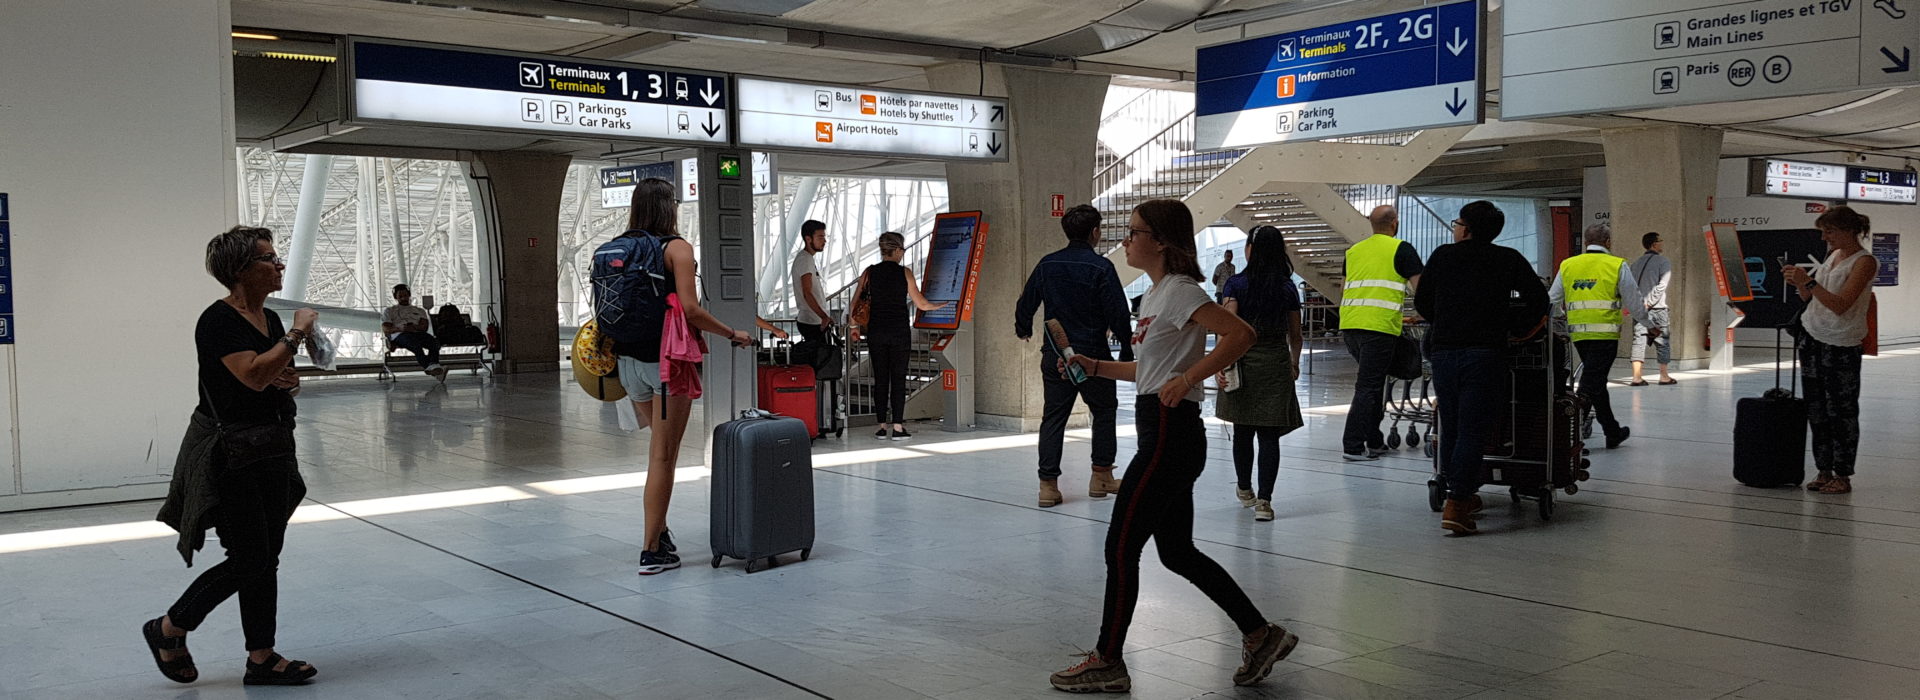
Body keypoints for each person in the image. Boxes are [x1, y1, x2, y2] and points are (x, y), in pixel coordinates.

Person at [1050, 199, 1297, 693]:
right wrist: (1094, 366)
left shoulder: (1182, 290)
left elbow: (1240, 334)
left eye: (1134, 231)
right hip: (1160, 428)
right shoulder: (1158, 294)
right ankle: (1260, 634)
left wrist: (1188, 379)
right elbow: (1149, 371)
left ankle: (1108, 659)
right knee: (1177, 552)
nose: (1125, 239)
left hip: (1169, 433)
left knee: (1121, 546)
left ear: (1160, 240)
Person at [147, 226, 319, 686]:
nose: (279, 264)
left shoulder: (270, 320)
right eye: (268, 258)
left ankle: (261, 657)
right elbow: (255, 376)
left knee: (267, 556)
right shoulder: (218, 321)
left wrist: (286, 365)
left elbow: (281, 377)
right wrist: (299, 333)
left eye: (277, 256)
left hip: (273, 447)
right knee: (249, 559)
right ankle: (169, 628)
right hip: (233, 455)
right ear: (240, 270)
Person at [613, 178, 754, 575]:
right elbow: (690, 310)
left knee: (658, 451)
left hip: (628, 364)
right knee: (664, 456)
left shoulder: (619, 246)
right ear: (669, 207)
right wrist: (732, 333)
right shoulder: (677, 248)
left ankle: (659, 530)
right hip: (666, 364)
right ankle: (651, 550)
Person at [1414, 202, 1550, 535]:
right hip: (1486, 353)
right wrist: (1515, 329)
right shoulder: (1508, 260)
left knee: (1452, 424)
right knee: (1474, 429)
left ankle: (1456, 492)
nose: (1456, 228)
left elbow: (1422, 303)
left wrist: (1446, 320)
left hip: (1444, 353)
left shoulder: (1443, 256)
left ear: (1468, 228)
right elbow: (1538, 301)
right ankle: (1458, 503)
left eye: (1458, 223)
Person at [1014, 203, 1133, 508]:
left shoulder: (1047, 264)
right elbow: (1118, 312)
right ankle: (1101, 476)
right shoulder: (1101, 268)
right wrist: (1127, 348)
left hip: (1054, 353)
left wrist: (1023, 327)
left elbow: (1026, 302)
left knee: (1054, 416)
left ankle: (1048, 486)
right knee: (1104, 411)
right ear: (1095, 232)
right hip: (1093, 354)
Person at [1782, 206, 1877, 495]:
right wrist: (1801, 286)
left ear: (1850, 230)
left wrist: (1807, 281)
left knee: (1842, 410)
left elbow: (1841, 305)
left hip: (1841, 342)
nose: (1825, 238)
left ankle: (1843, 473)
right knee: (1816, 408)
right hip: (1812, 335)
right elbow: (1815, 298)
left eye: (1830, 231)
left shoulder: (1865, 262)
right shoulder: (1833, 256)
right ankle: (1823, 469)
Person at [1215, 226, 1304, 523]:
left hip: (1242, 361)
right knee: (1269, 436)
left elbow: (1227, 329)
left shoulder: (1236, 285)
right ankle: (1265, 502)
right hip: (1275, 361)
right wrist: (1293, 363)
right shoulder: (1287, 287)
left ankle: (1244, 488)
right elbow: (1296, 334)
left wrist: (1219, 365)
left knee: (1242, 430)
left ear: (1251, 248)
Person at [1550, 223, 1656, 450]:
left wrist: (1554, 321)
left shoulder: (1568, 265)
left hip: (1579, 335)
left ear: (1587, 242)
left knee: (1595, 381)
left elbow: (1552, 299)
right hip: (1605, 335)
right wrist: (1650, 324)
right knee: (1590, 384)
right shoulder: (1616, 264)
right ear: (1608, 242)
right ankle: (1569, 433)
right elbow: (1634, 300)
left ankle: (1612, 431)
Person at [1338, 205, 1423, 461]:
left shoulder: (1353, 251)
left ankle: (1374, 440)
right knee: (1368, 386)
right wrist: (1424, 314)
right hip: (1379, 328)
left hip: (1351, 326)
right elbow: (1423, 289)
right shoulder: (1401, 249)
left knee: (1374, 384)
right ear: (1394, 223)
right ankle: (1352, 444)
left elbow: (1344, 290)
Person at [849, 231, 948, 440]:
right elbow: (921, 303)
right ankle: (898, 427)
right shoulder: (905, 273)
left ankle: (881, 426)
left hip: (876, 332)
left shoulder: (869, 272)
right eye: (902, 249)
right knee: (898, 379)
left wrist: (854, 327)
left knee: (881, 379)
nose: (902, 253)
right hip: (899, 333)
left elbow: (855, 303)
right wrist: (939, 305)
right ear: (895, 250)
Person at [1628, 232, 1675, 386]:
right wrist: (1649, 302)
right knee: (1662, 341)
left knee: (1638, 341)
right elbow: (1662, 285)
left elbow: (1630, 287)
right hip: (1658, 308)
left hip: (1639, 310)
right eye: (1660, 241)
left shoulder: (1635, 264)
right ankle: (1664, 376)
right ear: (1654, 244)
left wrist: (1640, 305)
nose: (1662, 243)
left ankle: (1636, 377)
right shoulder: (1663, 262)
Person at [382, 283, 445, 380]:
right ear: (396, 297)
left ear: (409, 295)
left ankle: (433, 365)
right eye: (400, 296)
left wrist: (415, 327)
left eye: (405, 296)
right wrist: (400, 328)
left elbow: (424, 327)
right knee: (415, 345)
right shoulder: (390, 311)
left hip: (417, 332)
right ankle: (430, 366)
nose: (403, 298)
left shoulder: (419, 311)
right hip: (400, 334)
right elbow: (386, 328)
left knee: (433, 342)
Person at [792, 219, 832, 345]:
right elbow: (807, 292)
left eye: (824, 237)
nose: (824, 241)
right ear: (808, 239)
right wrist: (823, 316)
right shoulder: (805, 260)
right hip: (812, 321)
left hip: (811, 320)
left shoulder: (806, 258)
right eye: (820, 237)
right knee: (821, 360)